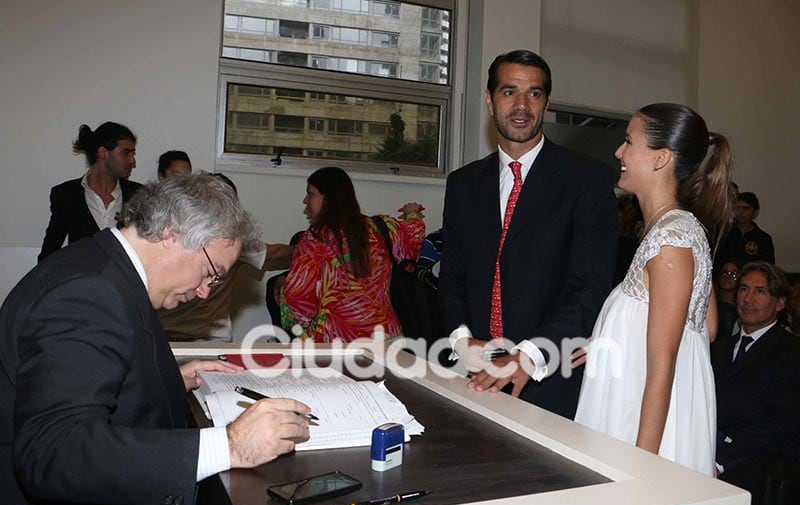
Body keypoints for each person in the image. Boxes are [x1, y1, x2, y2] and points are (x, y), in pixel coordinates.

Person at [1, 173, 311, 505]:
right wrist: (229, 445)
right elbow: (54, 452)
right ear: (171, 233)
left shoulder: (105, 265)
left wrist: (166, 378)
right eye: (211, 274)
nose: (202, 291)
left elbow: (86, 372)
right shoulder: (88, 292)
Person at [439, 49, 617, 419]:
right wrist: (460, 340)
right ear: (490, 100)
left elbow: (590, 287)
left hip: (550, 381)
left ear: (546, 102)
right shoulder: (463, 183)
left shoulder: (587, 180)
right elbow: (452, 275)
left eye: (534, 93)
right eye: (509, 92)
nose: (522, 105)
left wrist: (531, 354)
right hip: (473, 375)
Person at [574, 103, 734, 476]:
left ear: (661, 159)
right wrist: (616, 336)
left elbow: (662, 366)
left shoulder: (670, 241)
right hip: (642, 399)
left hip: (643, 424)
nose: (619, 152)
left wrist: (639, 471)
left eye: (629, 142)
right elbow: (705, 327)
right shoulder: (682, 229)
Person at [712, 262, 800, 505]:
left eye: (760, 291)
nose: (748, 299)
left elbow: (779, 424)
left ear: (780, 303)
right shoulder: (721, 346)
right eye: (744, 289)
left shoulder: (791, 352)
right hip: (714, 448)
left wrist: (721, 459)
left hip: (761, 461)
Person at [281, 166, 425, 342]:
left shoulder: (314, 241)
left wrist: (299, 329)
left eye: (311, 194)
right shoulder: (381, 227)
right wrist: (413, 213)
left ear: (328, 198)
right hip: (385, 337)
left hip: (334, 341)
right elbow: (414, 235)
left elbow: (297, 295)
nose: (305, 200)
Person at [158, 172, 295, 341]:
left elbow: (275, 253)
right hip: (175, 335)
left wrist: (313, 253)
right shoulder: (174, 239)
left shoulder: (236, 243)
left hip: (205, 336)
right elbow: (275, 253)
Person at [38, 121, 142, 262]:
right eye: (126, 153)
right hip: (83, 281)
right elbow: (49, 253)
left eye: (133, 154)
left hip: (128, 282)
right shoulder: (66, 195)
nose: (132, 161)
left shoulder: (140, 194)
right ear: (103, 152)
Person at [716, 191, 775, 267]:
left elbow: (768, 268)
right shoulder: (724, 234)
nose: (740, 212)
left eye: (745, 208)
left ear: (755, 212)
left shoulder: (763, 239)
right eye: (737, 208)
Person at [715, 259, 741, 340]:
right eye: (725, 272)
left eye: (733, 274)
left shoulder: (742, 308)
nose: (728, 277)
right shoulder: (710, 305)